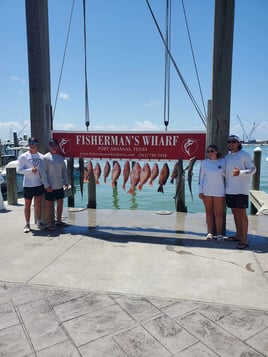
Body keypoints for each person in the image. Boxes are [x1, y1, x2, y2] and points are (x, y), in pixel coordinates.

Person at [225, 134, 256, 249]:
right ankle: (238, 235)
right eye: (229, 142)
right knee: (235, 212)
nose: (231, 144)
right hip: (229, 190)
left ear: (239, 143)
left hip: (241, 190)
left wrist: (241, 173)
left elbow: (253, 170)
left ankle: (244, 239)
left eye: (234, 141)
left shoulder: (244, 155)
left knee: (242, 213)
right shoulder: (227, 157)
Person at [17, 137, 45, 233]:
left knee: (38, 204)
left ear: (37, 145)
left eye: (34, 143)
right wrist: (30, 170)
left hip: (39, 184)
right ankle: (27, 223)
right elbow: (19, 170)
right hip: (28, 185)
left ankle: (39, 221)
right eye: (31, 143)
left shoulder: (42, 157)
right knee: (27, 205)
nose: (32, 145)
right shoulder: (23, 156)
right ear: (28, 145)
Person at [40, 138, 69, 230]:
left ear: (57, 146)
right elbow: (42, 173)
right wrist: (46, 185)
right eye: (52, 145)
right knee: (49, 206)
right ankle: (49, 224)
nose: (53, 147)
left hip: (59, 185)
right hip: (50, 186)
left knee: (60, 203)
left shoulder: (60, 158)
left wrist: (66, 181)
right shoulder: (45, 158)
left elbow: (64, 171)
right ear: (49, 147)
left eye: (55, 145)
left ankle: (59, 221)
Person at [198, 144, 225, 241]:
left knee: (218, 213)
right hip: (207, 191)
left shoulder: (223, 161)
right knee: (208, 212)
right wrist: (200, 191)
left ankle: (219, 234)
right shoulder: (204, 163)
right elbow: (200, 178)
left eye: (212, 151)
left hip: (219, 191)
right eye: (208, 151)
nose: (210, 153)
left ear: (217, 151)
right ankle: (209, 233)